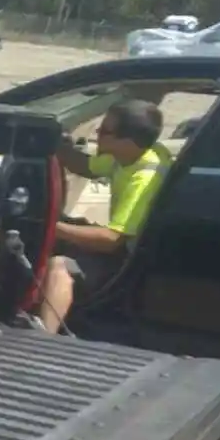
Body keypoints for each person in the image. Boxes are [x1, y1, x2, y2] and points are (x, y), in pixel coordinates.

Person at [36, 99, 169, 333]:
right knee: (65, 227)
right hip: (123, 246)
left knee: (59, 266)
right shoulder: (132, 156)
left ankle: (43, 336)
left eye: (105, 131)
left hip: (128, 259)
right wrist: (59, 145)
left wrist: (50, 226)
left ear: (127, 141)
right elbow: (87, 166)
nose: (97, 133)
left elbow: (110, 240)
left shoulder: (144, 178)